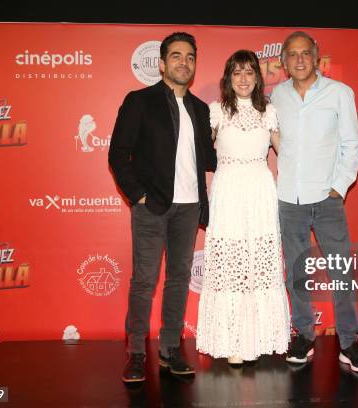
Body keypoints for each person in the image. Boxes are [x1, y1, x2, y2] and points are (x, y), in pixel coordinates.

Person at [109, 32, 216, 382]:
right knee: (144, 281)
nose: (183, 62)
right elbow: (118, 155)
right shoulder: (139, 101)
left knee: (179, 279)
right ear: (161, 63)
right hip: (151, 207)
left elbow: (211, 158)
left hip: (189, 209)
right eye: (176, 56)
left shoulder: (201, 110)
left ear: (195, 64)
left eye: (189, 57)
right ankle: (137, 353)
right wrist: (138, 195)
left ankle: (170, 349)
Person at [271, 31, 358, 372]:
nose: (299, 59)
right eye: (292, 54)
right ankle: (304, 336)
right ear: (283, 62)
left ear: (317, 57)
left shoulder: (340, 93)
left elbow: (352, 145)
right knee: (296, 274)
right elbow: (276, 142)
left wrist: (338, 188)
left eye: (305, 53)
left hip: (327, 200)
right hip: (289, 200)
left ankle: (349, 342)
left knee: (341, 273)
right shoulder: (276, 97)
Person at [196, 50, 290, 366]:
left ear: (258, 78)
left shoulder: (270, 112)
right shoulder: (216, 111)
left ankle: (263, 337)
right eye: (237, 73)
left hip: (260, 190)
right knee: (231, 264)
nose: (244, 79)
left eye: (250, 72)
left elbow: (287, 153)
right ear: (228, 78)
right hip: (228, 191)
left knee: (259, 263)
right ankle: (232, 340)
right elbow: (196, 152)